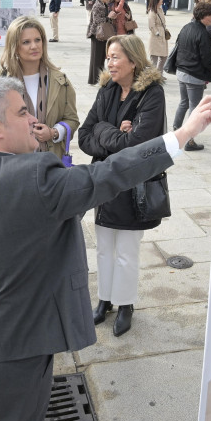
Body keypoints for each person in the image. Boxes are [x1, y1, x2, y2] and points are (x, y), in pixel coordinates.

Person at [0, 76, 211, 421]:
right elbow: (111, 174)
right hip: (24, 339)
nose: (32, 119)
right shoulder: (35, 176)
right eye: (22, 111)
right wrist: (182, 134)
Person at [78, 34, 165, 337]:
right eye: (108, 57)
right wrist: (112, 131)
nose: (109, 63)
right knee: (103, 249)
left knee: (127, 250)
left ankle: (125, 304)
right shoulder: (107, 90)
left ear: (133, 61)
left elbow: (137, 146)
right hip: (104, 181)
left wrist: (105, 133)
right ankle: (104, 301)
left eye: (115, 57)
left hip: (133, 186)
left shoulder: (152, 94)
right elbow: (84, 135)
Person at [0, 16, 79, 159]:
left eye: (38, 40)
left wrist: (53, 132)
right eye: (26, 42)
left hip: (50, 163)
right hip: (12, 163)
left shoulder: (60, 80)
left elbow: (72, 119)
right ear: (15, 46)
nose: (34, 46)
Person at [172, 2, 211, 152]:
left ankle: (176, 131)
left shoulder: (186, 27)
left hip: (181, 72)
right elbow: (206, 59)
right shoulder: (203, 33)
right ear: (203, 16)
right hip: (194, 75)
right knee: (195, 108)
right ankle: (189, 141)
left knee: (184, 103)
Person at [86, 0, 111, 85]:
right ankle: (94, 80)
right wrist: (109, 17)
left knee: (100, 58)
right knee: (96, 58)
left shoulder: (104, 4)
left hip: (102, 34)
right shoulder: (98, 5)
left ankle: (99, 79)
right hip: (97, 34)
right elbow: (97, 21)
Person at [146, 0, 168, 72]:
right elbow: (151, 25)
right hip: (155, 37)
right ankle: (152, 75)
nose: (162, 0)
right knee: (154, 58)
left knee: (164, 56)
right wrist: (157, 33)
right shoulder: (152, 12)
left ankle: (159, 73)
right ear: (157, 0)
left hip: (162, 35)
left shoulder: (160, 9)